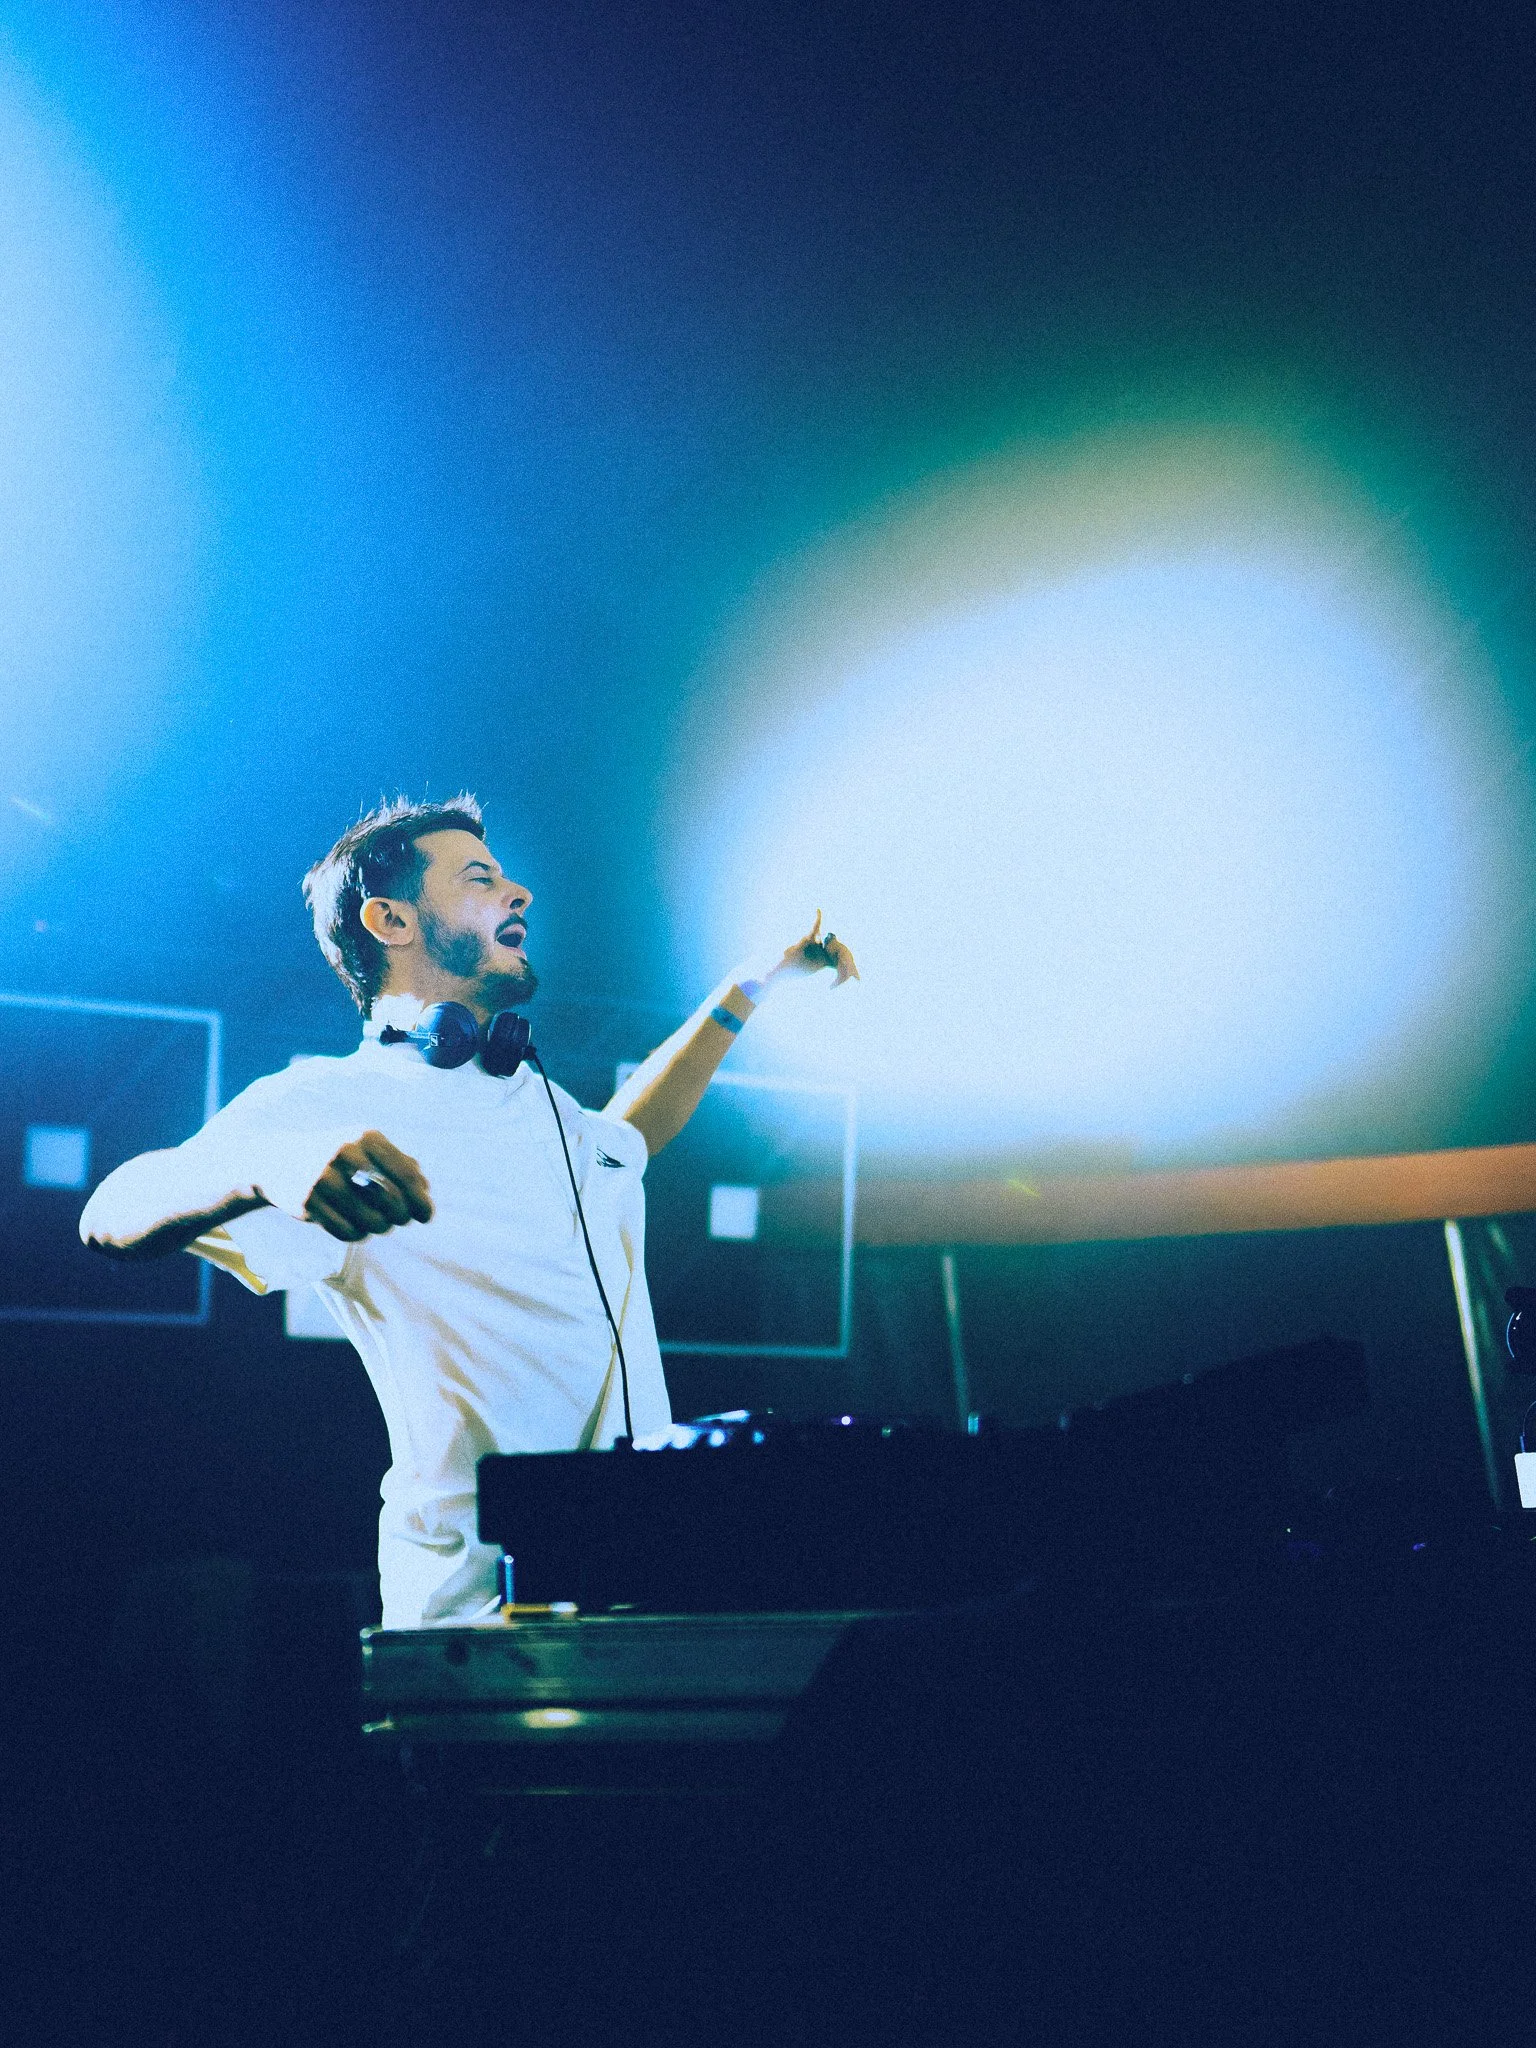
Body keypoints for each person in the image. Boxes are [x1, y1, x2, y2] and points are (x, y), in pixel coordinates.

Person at [79, 794, 857, 1627]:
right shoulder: (332, 1098)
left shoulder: (537, 1103)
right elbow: (109, 1212)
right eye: (481, 878)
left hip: (645, 1584)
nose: (517, 892)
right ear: (391, 920)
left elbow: (628, 1138)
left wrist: (749, 989)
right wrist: (267, 1169)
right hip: (481, 1617)